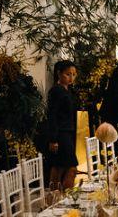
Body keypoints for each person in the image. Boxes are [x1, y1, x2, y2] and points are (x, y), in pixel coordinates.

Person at [47, 60, 78, 190]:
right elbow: (52, 115)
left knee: (59, 166)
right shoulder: (56, 91)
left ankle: (54, 195)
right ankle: (67, 195)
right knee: (71, 166)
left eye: (74, 74)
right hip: (61, 133)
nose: (71, 78)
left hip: (68, 132)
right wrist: (53, 139)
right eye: (68, 74)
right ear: (59, 74)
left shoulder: (68, 90)